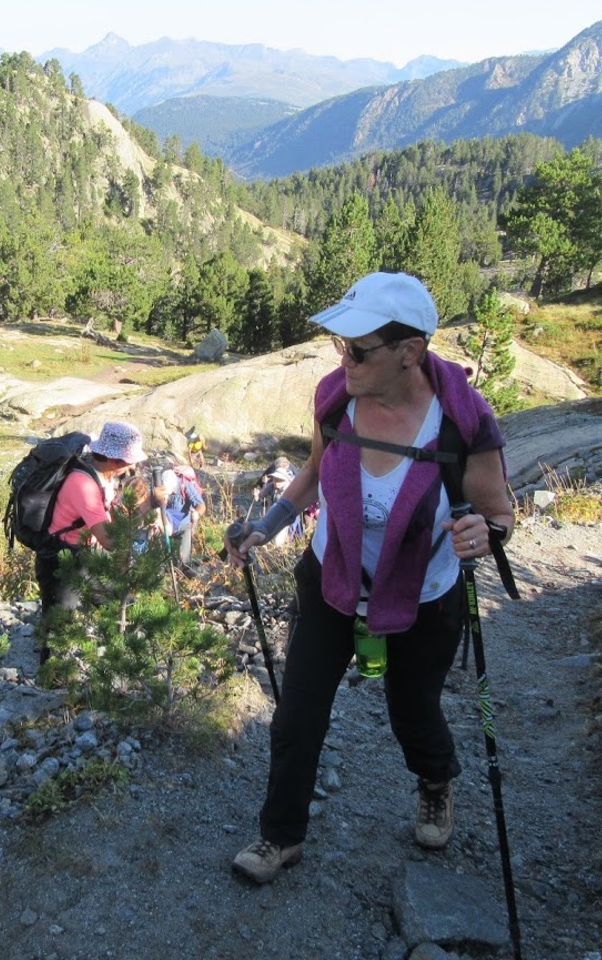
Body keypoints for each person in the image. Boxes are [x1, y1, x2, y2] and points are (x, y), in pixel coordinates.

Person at [225, 271, 515, 884]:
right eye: (341, 345)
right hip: (332, 579)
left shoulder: (461, 422)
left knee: (412, 710)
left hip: (424, 595)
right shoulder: (336, 399)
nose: (344, 360)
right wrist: (267, 526)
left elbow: (498, 513)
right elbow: (313, 472)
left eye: (358, 349)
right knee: (297, 715)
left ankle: (435, 781)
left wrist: (484, 535)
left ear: (410, 351)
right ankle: (280, 836)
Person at [34, 421, 163, 662]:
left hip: (85, 552)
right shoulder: (83, 484)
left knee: (122, 599)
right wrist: (149, 505)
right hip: (61, 560)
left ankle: (120, 657)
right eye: (130, 461)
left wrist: (143, 508)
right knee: (58, 629)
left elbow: (111, 525)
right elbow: (110, 540)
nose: (133, 466)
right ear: (114, 460)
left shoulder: (101, 477)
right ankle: (51, 675)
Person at [158, 459, 206, 565]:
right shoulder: (158, 486)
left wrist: (197, 513)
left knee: (184, 561)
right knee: (160, 560)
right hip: (164, 525)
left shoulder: (185, 486)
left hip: (182, 526)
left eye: (169, 492)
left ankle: (185, 568)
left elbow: (201, 505)